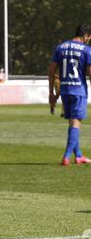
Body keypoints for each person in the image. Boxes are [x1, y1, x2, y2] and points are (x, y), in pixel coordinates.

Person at [48, 24, 91, 165]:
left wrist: (52, 93)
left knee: (72, 122)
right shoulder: (86, 50)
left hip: (65, 90)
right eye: (89, 38)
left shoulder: (60, 47)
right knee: (76, 122)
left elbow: (52, 71)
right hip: (79, 90)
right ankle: (66, 157)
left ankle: (78, 155)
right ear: (85, 35)